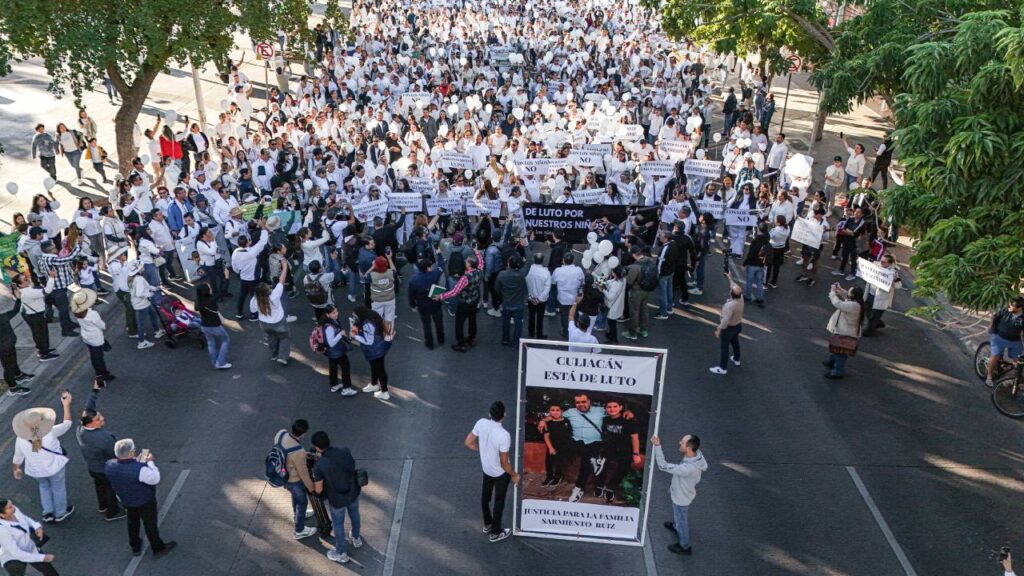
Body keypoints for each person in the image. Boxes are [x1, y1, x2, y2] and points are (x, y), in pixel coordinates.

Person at [104, 439, 177, 558]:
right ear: (132, 453)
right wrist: (150, 462)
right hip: (145, 501)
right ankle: (158, 548)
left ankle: (135, 546)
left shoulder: (109, 465)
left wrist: (136, 461)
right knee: (150, 524)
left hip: (126, 500)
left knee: (132, 522)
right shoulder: (140, 469)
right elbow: (155, 478)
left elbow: (124, 471)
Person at [11, 393, 75, 523]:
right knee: (58, 488)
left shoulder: (20, 439)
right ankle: (61, 512)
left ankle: (48, 512)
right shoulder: (50, 432)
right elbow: (67, 424)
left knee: (44, 487)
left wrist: (16, 468)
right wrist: (66, 405)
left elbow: (18, 456)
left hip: (36, 471)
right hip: (54, 468)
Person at [465, 401, 518, 543]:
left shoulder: (481, 423)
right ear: (504, 415)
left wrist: (482, 450)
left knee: (485, 497)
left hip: (486, 469)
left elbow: (468, 442)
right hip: (500, 473)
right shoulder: (504, 435)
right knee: (499, 502)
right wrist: (514, 475)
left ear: (489, 414)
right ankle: (495, 532)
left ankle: (488, 524)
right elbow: (504, 463)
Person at [75, 381, 126, 522]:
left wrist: (94, 391)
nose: (102, 418)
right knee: (110, 488)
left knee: (99, 485)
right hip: (105, 468)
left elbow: (88, 408)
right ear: (90, 423)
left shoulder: (81, 429)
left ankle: (102, 505)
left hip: (93, 466)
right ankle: (112, 511)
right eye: (98, 419)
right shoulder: (102, 438)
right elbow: (116, 453)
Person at [311, 431, 363, 564]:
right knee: (355, 514)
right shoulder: (345, 450)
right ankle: (356, 538)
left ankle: (341, 553)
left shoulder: (319, 466)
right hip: (352, 491)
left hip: (337, 499)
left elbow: (319, 489)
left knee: (338, 525)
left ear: (317, 447)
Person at [651, 433, 707, 555]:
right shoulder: (697, 455)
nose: (679, 443)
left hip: (681, 498)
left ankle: (685, 546)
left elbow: (663, 466)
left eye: (682, 442)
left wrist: (657, 446)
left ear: (688, 448)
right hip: (685, 494)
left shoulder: (688, 468)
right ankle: (677, 527)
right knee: (679, 517)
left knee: (682, 521)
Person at [273, 420, 318, 541]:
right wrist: (311, 487)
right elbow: (303, 472)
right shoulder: (298, 451)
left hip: (281, 474)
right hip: (293, 480)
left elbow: (287, 453)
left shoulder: (281, 434)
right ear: (303, 434)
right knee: (302, 501)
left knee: (295, 498)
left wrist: (303, 456)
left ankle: (297, 515)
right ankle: (299, 530)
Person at [435, 246, 484, 352]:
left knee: (459, 324)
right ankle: (471, 338)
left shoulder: (465, 278)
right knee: (472, 320)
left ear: (469, 265)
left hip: (464, 303)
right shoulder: (480, 271)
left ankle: (461, 343)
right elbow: (481, 262)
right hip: (474, 300)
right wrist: (476, 251)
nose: (465, 262)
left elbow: (454, 292)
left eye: (467, 261)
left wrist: (441, 296)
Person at [596, 399, 641, 504]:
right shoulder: (605, 420)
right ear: (605, 409)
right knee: (601, 466)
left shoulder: (628, 420)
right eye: (609, 407)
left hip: (625, 449)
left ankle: (611, 488)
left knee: (623, 469)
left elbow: (634, 437)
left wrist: (636, 454)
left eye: (615, 406)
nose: (612, 409)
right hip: (609, 448)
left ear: (620, 407)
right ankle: (600, 485)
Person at [0, 498, 58, 576]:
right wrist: (43, 558)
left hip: (30, 548)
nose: (14, 507)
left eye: (12, 504)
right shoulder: (2, 530)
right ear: (2, 515)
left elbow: (25, 519)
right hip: (13, 557)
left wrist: (37, 527)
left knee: (50, 571)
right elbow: (16, 553)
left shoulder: (14, 511)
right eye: (10, 507)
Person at [11, 271, 58, 362]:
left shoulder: (18, 292)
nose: (28, 279)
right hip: (36, 315)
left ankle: (43, 349)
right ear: (20, 285)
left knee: (37, 333)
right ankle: (44, 354)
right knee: (42, 334)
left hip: (29, 315)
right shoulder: (28, 292)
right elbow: (47, 290)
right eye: (25, 279)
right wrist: (52, 277)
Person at [251, 260, 292, 366]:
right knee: (284, 337)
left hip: (264, 324)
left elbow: (253, 310)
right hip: (278, 322)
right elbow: (281, 280)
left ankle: (274, 355)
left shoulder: (254, 300)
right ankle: (283, 357)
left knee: (271, 338)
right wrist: (285, 267)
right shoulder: (274, 295)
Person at [70, 289, 114, 382]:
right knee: (99, 358)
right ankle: (102, 374)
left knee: (94, 355)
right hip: (96, 338)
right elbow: (102, 325)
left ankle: (99, 372)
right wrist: (103, 326)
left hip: (86, 337)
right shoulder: (92, 314)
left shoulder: (77, 313)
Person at [824, 284, 866, 380]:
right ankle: (832, 362)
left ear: (853, 295)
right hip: (845, 330)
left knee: (841, 352)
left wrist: (832, 292)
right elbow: (847, 295)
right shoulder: (856, 302)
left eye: (850, 291)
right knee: (837, 348)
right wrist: (839, 289)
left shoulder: (853, 305)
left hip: (845, 332)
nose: (848, 292)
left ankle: (837, 372)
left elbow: (837, 303)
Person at [350, 307, 392, 401]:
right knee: (374, 367)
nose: (354, 318)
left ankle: (384, 392)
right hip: (379, 347)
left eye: (355, 316)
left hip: (375, 350)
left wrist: (355, 336)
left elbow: (369, 341)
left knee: (380, 370)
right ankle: (374, 384)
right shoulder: (372, 317)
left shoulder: (367, 324)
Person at [408, 256, 446, 350]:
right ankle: (441, 339)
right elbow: (441, 265)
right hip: (435, 303)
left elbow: (411, 294)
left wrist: (413, 305)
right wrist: (439, 254)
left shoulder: (413, 280)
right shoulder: (434, 274)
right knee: (439, 323)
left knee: (426, 325)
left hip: (423, 305)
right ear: (428, 267)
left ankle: (429, 343)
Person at [986, 297, 1024, 387]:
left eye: (1012, 306)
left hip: (1015, 340)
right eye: (1009, 304)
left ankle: (1016, 379)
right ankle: (989, 376)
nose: (1009, 307)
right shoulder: (1005, 311)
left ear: (1020, 307)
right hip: (999, 338)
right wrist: (992, 330)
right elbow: (995, 317)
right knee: (994, 356)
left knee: (1018, 361)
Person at [126, 260, 164, 349]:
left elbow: (146, 286)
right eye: (141, 267)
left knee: (153, 314)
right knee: (142, 323)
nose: (143, 268)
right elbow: (139, 293)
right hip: (141, 304)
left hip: (141, 303)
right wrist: (150, 294)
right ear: (138, 269)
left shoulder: (135, 278)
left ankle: (157, 330)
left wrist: (155, 288)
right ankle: (141, 342)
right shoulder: (139, 279)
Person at [320, 305, 356, 395]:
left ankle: (334, 385)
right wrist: (340, 334)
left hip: (331, 353)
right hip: (337, 351)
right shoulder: (329, 327)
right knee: (345, 368)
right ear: (328, 315)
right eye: (333, 313)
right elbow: (331, 342)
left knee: (333, 367)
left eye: (336, 311)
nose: (336, 314)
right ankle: (346, 388)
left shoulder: (328, 323)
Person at [862, 254, 900, 337]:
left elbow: (898, 286)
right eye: (881, 261)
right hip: (870, 294)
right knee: (867, 312)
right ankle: (878, 322)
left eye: (883, 262)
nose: (881, 263)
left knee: (873, 316)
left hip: (880, 299)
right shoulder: (877, 266)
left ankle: (869, 331)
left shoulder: (892, 273)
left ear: (889, 264)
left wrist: (895, 279)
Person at [710, 283, 744, 375]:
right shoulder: (741, 299)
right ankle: (737, 359)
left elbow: (725, 320)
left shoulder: (730, 306)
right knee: (735, 342)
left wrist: (719, 329)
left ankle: (722, 368)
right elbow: (736, 287)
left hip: (729, 329)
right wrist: (729, 277)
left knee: (724, 348)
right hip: (737, 326)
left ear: (731, 294)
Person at [622, 245, 655, 340]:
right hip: (648, 289)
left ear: (633, 254)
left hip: (636, 291)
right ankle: (643, 330)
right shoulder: (650, 260)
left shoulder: (636, 266)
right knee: (644, 309)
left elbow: (629, 281)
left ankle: (632, 333)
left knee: (634, 311)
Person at [195, 283, 231, 369]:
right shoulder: (211, 300)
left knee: (211, 343)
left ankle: (214, 361)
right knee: (226, 340)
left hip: (204, 325)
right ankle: (221, 362)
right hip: (215, 325)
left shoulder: (198, 300)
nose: (211, 288)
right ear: (206, 291)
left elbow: (196, 308)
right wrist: (226, 278)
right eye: (209, 287)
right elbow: (223, 291)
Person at [495, 254, 528, 345]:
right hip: (518, 303)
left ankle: (505, 339)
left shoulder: (502, 274)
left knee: (506, 322)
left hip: (506, 302)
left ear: (508, 264)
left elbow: (497, 288)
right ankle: (516, 341)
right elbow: (529, 263)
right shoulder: (521, 274)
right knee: (518, 324)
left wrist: (502, 295)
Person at [551, 252, 584, 336]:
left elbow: (553, 282)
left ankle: (566, 332)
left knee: (564, 316)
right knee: (575, 316)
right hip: (575, 299)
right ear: (573, 260)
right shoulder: (578, 270)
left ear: (563, 261)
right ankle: (575, 331)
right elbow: (582, 281)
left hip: (563, 299)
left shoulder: (557, 271)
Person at [541, 403, 572, 487]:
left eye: (557, 410)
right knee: (549, 462)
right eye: (552, 410)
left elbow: (569, 433)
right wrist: (550, 448)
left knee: (559, 462)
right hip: (551, 445)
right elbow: (546, 436)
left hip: (563, 445)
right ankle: (549, 477)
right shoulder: (547, 423)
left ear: (561, 411)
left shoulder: (566, 421)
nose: (555, 412)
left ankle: (558, 477)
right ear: (549, 411)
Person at [742, 223, 769, 307]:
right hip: (761, 264)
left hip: (752, 264)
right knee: (759, 282)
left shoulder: (756, 240)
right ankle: (759, 298)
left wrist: (744, 264)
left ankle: (747, 296)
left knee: (749, 281)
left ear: (758, 229)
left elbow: (751, 254)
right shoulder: (767, 238)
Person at [525, 253, 551, 339]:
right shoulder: (546, 272)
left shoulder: (528, 270)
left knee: (531, 316)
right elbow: (547, 287)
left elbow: (525, 285)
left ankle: (531, 333)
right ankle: (539, 334)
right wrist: (539, 299)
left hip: (530, 298)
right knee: (540, 317)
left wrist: (529, 296)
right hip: (541, 300)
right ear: (542, 261)